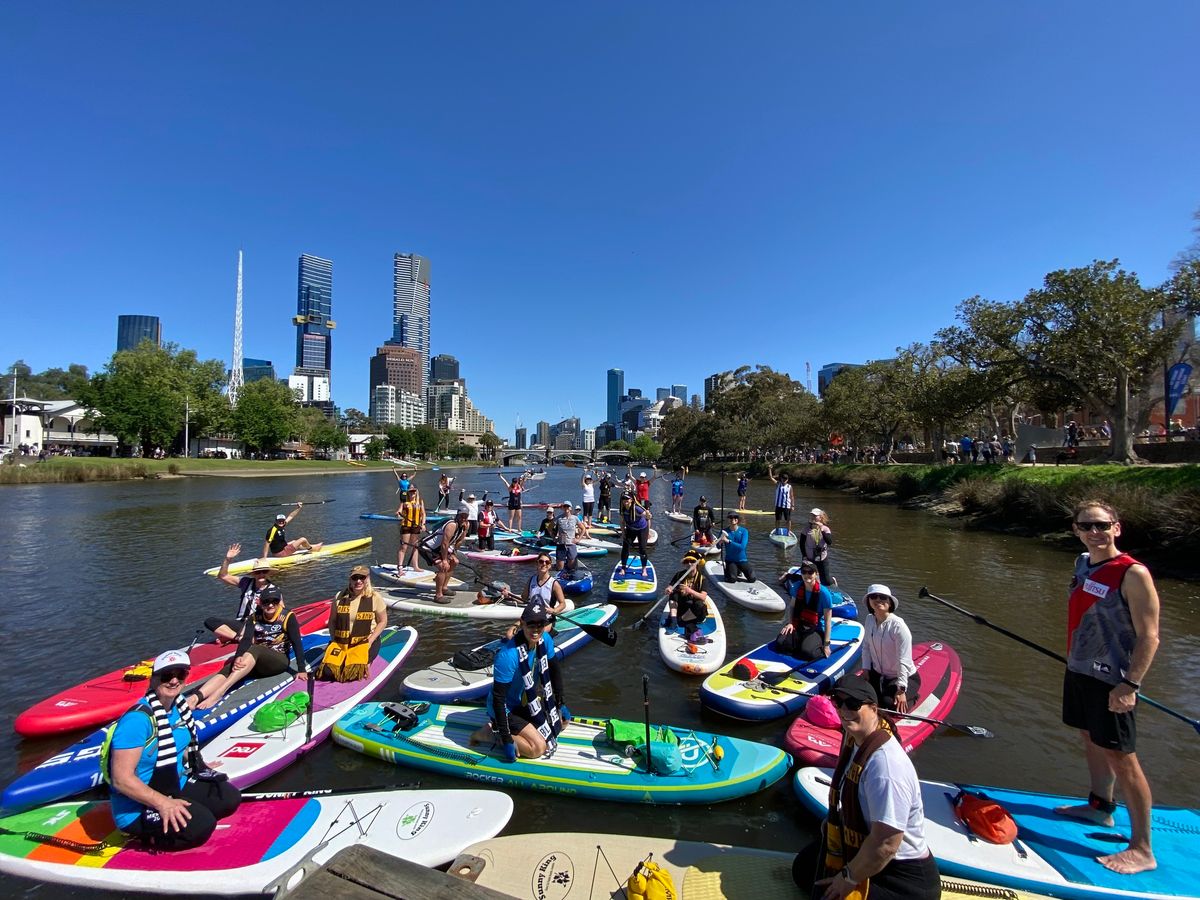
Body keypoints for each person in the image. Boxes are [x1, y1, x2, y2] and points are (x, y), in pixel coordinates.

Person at [1054, 499, 1160, 875]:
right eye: (1087, 526)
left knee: (1122, 757)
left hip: (1115, 681)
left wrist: (1130, 684)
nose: (1094, 532)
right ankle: (1101, 808)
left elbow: (1150, 636)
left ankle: (1143, 848)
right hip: (1081, 672)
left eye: (1102, 525)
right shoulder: (1082, 563)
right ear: (1076, 530)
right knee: (1089, 738)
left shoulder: (1132, 573)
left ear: (1117, 527)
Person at [803, 673, 940, 900]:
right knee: (805, 868)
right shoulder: (855, 740)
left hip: (905, 878)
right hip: (870, 850)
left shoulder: (885, 767)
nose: (844, 711)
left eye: (854, 704)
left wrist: (848, 878)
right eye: (838, 702)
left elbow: (887, 843)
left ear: (874, 708)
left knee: (825, 895)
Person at [106, 649, 241, 850]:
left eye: (181, 675)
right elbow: (121, 779)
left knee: (228, 798)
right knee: (202, 826)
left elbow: (180, 744)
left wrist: (199, 764)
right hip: (139, 805)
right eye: (167, 676)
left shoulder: (179, 708)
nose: (174, 681)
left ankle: (185, 809)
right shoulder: (137, 721)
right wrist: (162, 803)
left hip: (174, 785)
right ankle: (145, 836)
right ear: (153, 679)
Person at [471, 600, 570, 761]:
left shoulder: (546, 641)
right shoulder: (508, 655)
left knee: (562, 722)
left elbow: (554, 670)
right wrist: (506, 738)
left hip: (524, 703)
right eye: (531, 624)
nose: (536, 630)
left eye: (540, 624)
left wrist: (560, 701)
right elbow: (498, 699)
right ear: (522, 624)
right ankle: (491, 733)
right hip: (506, 708)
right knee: (537, 749)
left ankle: (513, 729)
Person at [198, 585, 309, 709]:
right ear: (260, 603)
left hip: (278, 661)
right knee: (231, 666)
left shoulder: (288, 617)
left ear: (279, 603)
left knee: (255, 648)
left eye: (275, 601)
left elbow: (296, 643)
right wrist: (238, 657)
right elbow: (246, 639)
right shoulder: (254, 617)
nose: (271, 605)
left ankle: (219, 693)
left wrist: (301, 669)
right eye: (266, 602)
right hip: (257, 660)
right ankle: (195, 697)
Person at [313, 565, 388, 681]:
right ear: (350, 580)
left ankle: (367, 661)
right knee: (328, 672)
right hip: (341, 641)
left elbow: (383, 621)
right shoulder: (339, 597)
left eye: (361, 578)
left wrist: (371, 640)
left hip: (365, 641)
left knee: (353, 674)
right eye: (355, 578)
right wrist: (333, 640)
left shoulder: (375, 597)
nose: (358, 581)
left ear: (367, 579)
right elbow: (332, 621)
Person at [860, 584, 920, 714]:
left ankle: (913, 697)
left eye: (883, 597)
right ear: (869, 602)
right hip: (878, 672)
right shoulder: (869, 619)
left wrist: (901, 689)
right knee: (863, 697)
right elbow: (866, 647)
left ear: (890, 602)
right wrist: (865, 670)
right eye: (873, 597)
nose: (878, 600)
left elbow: (903, 660)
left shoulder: (898, 626)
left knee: (889, 704)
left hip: (900, 676)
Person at [209, 546, 276, 641]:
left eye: (264, 571)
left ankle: (233, 635)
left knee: (220, 637)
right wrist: (228, 560)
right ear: (254, 574)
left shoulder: (273, 589)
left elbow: (280, 610)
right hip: (241, 622)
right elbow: (223, 576)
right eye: (258, 572)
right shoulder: (246, 583)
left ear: (268, 573)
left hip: (258, 624)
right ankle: (238, 637)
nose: (261, 574)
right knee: (210, 621)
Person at [776, 561, 833, 660]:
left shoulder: (824, 593)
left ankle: (809, 643)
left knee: (808, 653)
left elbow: (828, 621)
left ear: (816, 574)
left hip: (815, 628)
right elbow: (792, 607)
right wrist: (790, 623)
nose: (807, 575)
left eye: (810, 572)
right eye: (804, 572)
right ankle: (799, 642)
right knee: (781, 643)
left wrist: (826, 644)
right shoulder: (797, 587)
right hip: (799, 624)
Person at [422, 508, 469, 603]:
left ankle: (444, 587)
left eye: (465, 516)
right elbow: (444, 544)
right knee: (443, 567)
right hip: (428, 548)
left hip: (440, 549)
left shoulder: (465, 525)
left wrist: (464, 531)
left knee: (455, 562)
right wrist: (444, 560)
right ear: (457, 515)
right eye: (461, 516)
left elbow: (458, 542)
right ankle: (438, 595)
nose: (463, 518)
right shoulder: (452, 525)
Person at [664, 550, 707, 638]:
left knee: (699, 604)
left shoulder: (702, 579)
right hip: (683, 606)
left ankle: (680, 620)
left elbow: (703, 597)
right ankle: (674, 622)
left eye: (692, 561)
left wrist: (689, 590)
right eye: (687, 561)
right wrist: (668, 589)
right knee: (673, 594)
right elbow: (670, 587)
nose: (689, 564)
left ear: (697, 563)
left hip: (694, 609)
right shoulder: (679, 575)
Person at [616, 492, 651, 579]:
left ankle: (644, 569)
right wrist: (623, 533)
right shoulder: (622, 509)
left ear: (631, 500)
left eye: (627, 499)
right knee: (625, 547)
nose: (625, 501)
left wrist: (648, 531)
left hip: (642, 529)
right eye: (623, 500)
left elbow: (648, 518)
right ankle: (623, 568)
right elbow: (621, 522)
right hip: (630, 529)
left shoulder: (637, 509)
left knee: (642, 549)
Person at [717, 512, 754, 582]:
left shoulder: (744, 531)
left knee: (752, 579)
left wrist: (728, 541)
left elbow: (742, 547)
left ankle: (738, 570)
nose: (733, 519)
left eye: (735, 517)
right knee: (732, 579)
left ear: (737, 520)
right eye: (730, 517)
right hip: (730, 560)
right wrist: (720, 543)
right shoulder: (723, 532)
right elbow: (718, 547)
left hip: (742, 560)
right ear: (728, 519)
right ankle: (730, 571)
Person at [397, 487, 426, 573]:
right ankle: (400, 568)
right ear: (408, 493)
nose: (412, 493)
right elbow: (399, 511)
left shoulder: (420, 502)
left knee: (415, 546)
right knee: (404, 547)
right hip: (406, 526)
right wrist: (398, 514)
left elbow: (423, 513)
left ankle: (415, 567)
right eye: (410, 492)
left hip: (416, 526)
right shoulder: (404, 502)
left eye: (414, 492)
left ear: (416, 492)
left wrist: (423, 524)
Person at [801, 508, 834, 585]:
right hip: (809, 558)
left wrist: (821, 529)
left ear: (820, 517)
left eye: (815, 516)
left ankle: (833, 580)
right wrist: (804, 556)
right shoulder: (806, 529)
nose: (813, 517)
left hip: (822, 558)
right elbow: (802, 544)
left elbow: (829, 542)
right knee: (807, 578)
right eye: (812, 515)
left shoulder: (826, 529)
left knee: (826, 581)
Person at [554, 500, 580, 573]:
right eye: (564, 506)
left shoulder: (575, 518)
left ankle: (569, 570)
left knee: (572, 568)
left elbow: (583, 528)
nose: (566, 508)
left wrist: (578, 539)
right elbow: (550, 527)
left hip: (571, 544)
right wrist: (554, 538)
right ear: (563, 508)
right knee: (559, 568)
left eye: (568, 506)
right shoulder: (559, 518)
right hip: (561, 544)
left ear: (571, 508)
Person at [768, 463, 794, 535]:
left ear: (787, 479)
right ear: (781, 479)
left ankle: (788, 532)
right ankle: (777, 530)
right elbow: (771, 477)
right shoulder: (778, 484)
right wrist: (769, 469)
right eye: (783, 478)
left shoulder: (789, 487)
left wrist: (793, 506)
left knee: (788, 520)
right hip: (778, 506)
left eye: (786, 479)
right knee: (777, 520)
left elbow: (792, 496)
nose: (784, 480)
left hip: (787, 506)